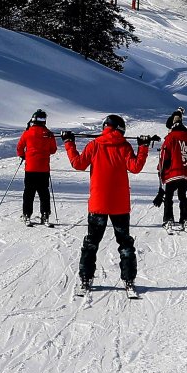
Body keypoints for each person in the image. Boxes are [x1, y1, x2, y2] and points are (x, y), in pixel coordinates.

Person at [63, 114, 150, 295]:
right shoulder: (124, 146)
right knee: (125, 243)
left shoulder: (94, 145)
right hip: (120, 205)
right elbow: (135, 167)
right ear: (120, 128)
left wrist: (69, 143)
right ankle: (128, 280)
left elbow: (78, 164)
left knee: (91, 243)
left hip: (98, 204)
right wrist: (143, 147)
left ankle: (86, 278)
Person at [156, 108, 187, 233]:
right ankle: (185, 219)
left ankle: (168, 219)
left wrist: (161, 170)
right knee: (182, 196)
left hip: (173, 172)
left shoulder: (171, 138)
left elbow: (164, 156)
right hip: (186, 173)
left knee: (169, 196)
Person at [15, 108, 57, 225]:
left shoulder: (27, 133)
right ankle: (45, 215)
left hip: (30, 168)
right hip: (43, 168)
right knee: (44, 192)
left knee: (29, 192)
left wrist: (23, 156)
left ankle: (27, 214)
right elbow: (53, 150)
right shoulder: (49, 134)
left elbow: (19, 147)